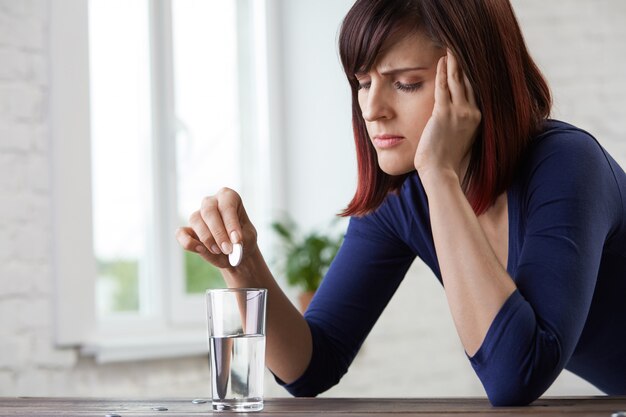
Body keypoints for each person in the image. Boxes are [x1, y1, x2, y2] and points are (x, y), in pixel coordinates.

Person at [176, 0, 626, 406]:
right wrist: (243, 265)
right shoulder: (403, 198)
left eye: (406, 83)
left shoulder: (568, 166)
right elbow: (310, 367)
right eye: (363, 82)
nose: (372, 108)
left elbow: (516, 376)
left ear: (476, 81)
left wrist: (439, 174)